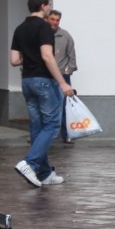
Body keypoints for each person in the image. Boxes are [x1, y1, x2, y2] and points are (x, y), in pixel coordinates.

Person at [9, 0, 75, 188]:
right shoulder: (44, 27)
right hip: (44, 81)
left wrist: (30, 56)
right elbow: (47, 56)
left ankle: (45, 173)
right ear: (43, 6)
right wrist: (62, 82)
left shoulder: (20, 28)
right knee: (52, 125)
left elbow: (14, 60)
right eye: (49, 5)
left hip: (27, 81)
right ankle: (29, 163)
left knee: (38, 128)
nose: (50, 8)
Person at [48, 10, 78, 144]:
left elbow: (72, 57)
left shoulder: (65, 36)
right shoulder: (42, 34)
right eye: (52, 19)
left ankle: (66, 135)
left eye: (57, 20)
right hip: (46, 76)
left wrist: (67, 72)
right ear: (47, 19)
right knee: (46, 106)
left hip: (62, 77)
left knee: (65, 106)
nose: (55, 22)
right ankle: (43, 136)